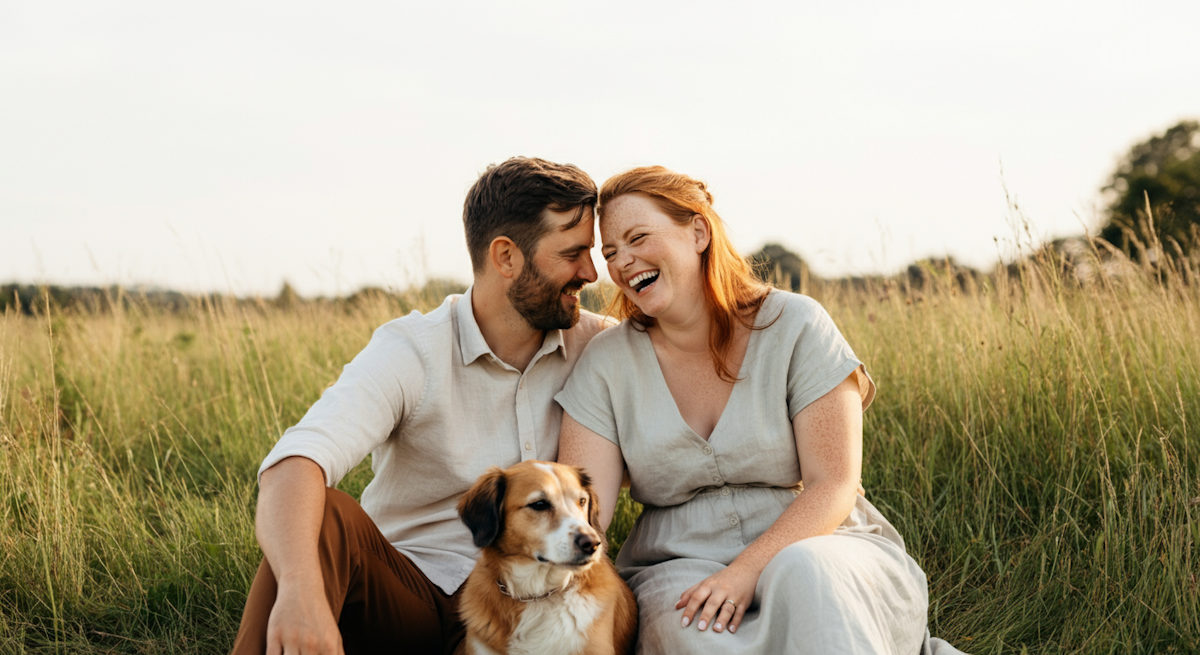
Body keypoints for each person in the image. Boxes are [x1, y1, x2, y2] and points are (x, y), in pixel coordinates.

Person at [556, 166, 965, 654]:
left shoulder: (796, 325)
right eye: (611, 252)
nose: (624, 262)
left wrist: (746, 571)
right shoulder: (605, 363)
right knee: (686, 627)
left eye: (638, 237)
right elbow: (585, 517)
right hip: (678, 562)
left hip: (821, 540)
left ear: (699, 232)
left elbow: (834, 483)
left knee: (806, 573)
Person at [230, 157, 608, 655]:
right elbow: (294, 464)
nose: (591, 272)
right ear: (506, 257)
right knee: (326, 515)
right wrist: (301, 594)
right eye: (573, 253)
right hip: (410, 599)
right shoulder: (412, 349)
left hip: (532, 606)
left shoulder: (599, 347)